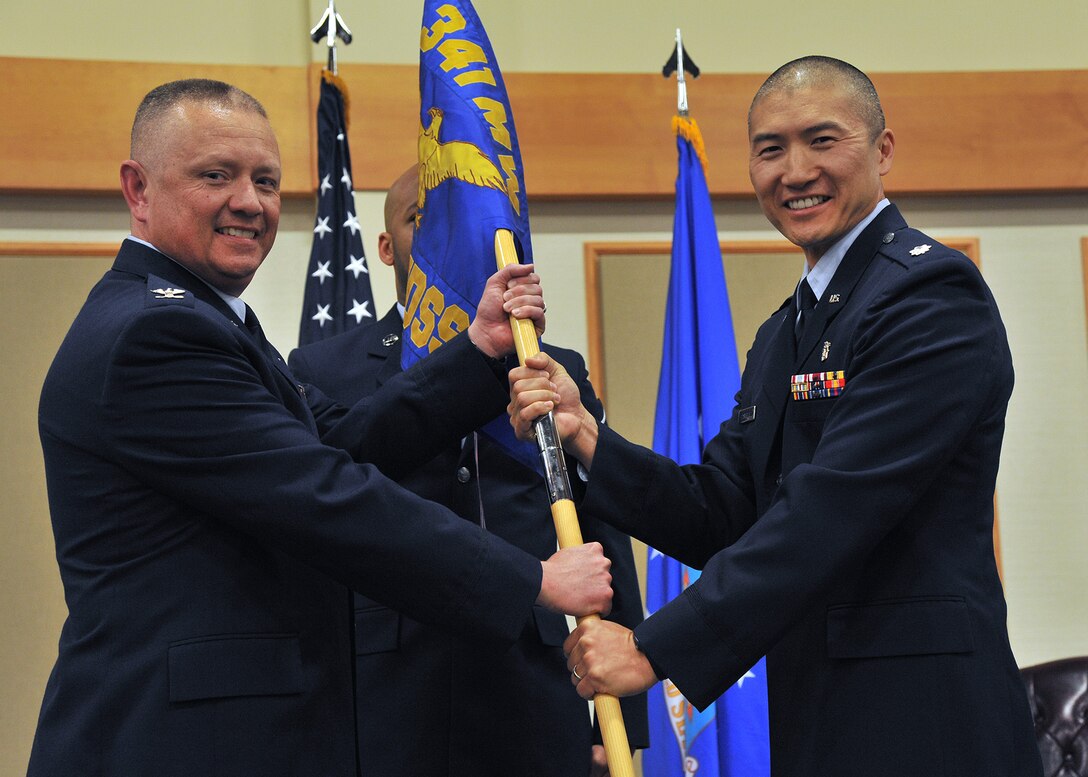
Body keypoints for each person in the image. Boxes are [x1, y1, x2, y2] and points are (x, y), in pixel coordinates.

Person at [28, 79, 615, 777]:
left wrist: (479, 352)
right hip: (179, 741)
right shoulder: (155, 333)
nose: (249, 201)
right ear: (138, 189)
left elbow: (338, 442)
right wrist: (531, 581)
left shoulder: (203, 321)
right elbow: (324, 491)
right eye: (216, 175)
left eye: (267, 181)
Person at [509, 56, 1043, 777]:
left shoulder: (931, 295)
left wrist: (652, 646)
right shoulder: (784, 331)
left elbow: (831, 510)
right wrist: (588, 437)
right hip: (818, 716)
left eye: (823, 140)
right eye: (770, 149)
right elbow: (723, 509)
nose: (795, 171)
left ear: (883, 150)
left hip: (925, 720)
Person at [287, 166, 648, 777]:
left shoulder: (550, 364)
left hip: (532, 679)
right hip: (384, 683)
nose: (439, 235)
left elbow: (596, 524)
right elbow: (320, 518)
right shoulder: (324, 367)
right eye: (419, 218)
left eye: (456, 218)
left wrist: (620, 714)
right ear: (384, 246)